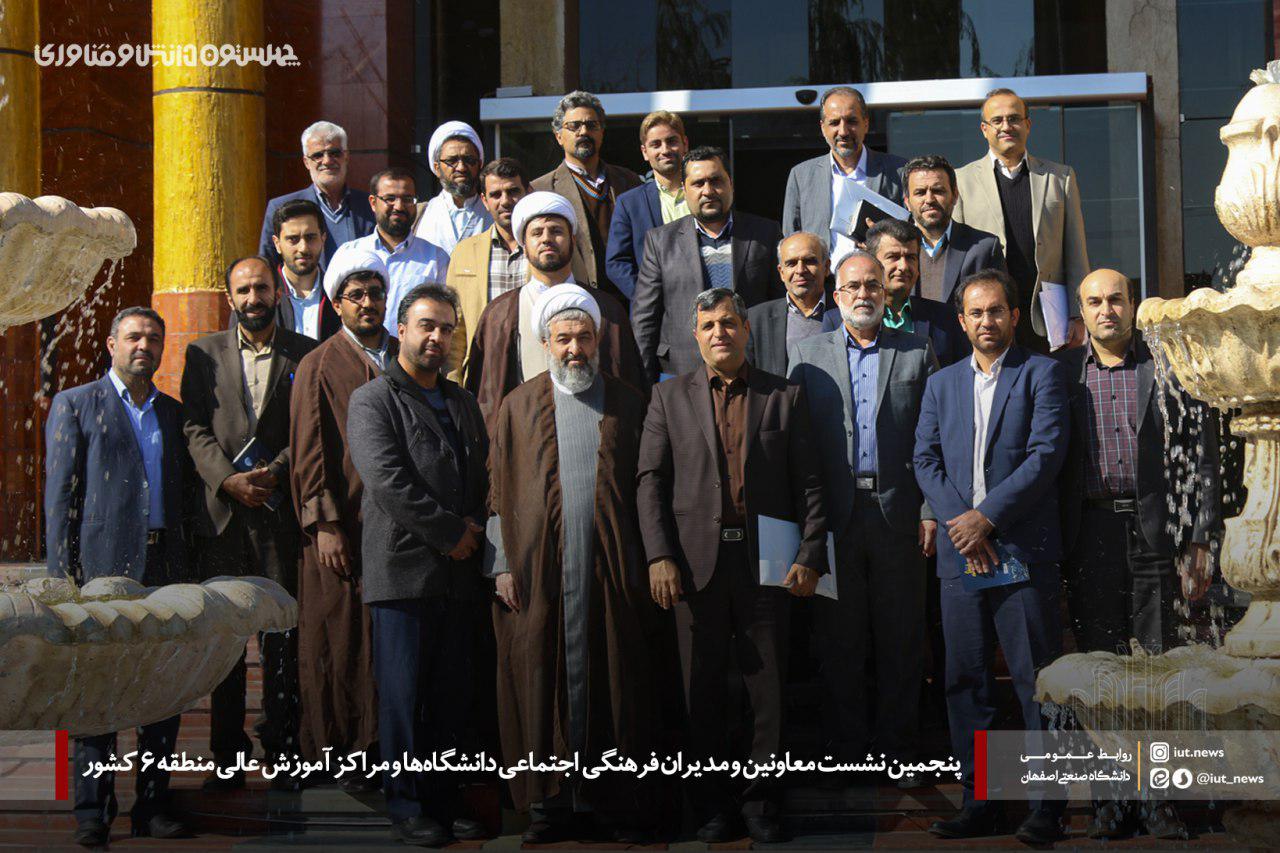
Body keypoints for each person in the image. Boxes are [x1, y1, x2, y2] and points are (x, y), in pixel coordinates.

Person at [637, 288, 826, 844]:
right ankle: (711, 804)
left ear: (746, 329)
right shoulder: (667, 397)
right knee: (702, 690)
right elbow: (650, 482)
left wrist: (810, 554)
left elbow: (810, 483)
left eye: (728, 323)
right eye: (708, 326)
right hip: (694, 563)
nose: (719, 333)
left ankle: (761, 802)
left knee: (767, 691)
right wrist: (659, 555)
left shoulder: (783, 395)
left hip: (768, 561)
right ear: (694, 337)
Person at [487, 285, 656, 844]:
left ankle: (612, 804)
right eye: (563, 339)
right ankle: (549, 808)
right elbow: (497, 489)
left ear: (599, 340)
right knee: (540, 678)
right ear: (545, 343)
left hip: (613, 573)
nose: (574, 349)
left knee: (617, 679)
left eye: (584, 337)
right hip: (539, 575)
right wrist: (502, 563)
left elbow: (648, 485)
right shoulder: (517, 406)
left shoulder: (629, 402)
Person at [1057, 269, 1220, 840]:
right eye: (1095, 302)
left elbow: (1202, 455)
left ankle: (1159, 799)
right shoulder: (1061, 373)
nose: (1107, 310)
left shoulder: (1168, 367)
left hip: (1156, 537)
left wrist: (1199, 536)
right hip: (1090, 535)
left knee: (1156, 668)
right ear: (1082, 312)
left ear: (1132, 305)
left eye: (1116, 299)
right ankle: (1110, 799)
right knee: (1101, 670)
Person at [913, 269, 1069, 844]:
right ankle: (980, 801)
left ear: (1014, 315)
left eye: (996, 310)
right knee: (966, 680)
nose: (986, 321)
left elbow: (1045, 455)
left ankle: (1047, 807)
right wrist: (964, 525)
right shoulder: (941, 384)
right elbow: (925, 459)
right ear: (961, 321)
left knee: (1036, 681)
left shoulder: (1041, 373)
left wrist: (988, 520)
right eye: (976, 313)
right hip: (961, 555)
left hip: (1019, 549)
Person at [347, 284, 489, 847]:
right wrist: (451, 533)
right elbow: (388, 482)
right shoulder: (373, 399)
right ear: (401, 330)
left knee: (451, 696)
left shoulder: (461, 401)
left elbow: (482, 473)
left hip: (460, 574)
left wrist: (472, 527)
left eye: (447, 328)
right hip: (403, 572)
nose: (437, 337)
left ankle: (445, 801)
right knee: (404, 699)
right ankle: (407, 806)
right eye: (427, 325)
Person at [787, 249, 938, 777]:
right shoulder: (807, 355)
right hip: (834, 519)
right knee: (839, 640)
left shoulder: (917, 352)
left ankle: (898, 748)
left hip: (900, 516)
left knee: (901, 638)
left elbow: (933, 439)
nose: (864, 294)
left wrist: (929, 508)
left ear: (885, 293)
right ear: (836, 296)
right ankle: (846, 753)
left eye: (872, 284)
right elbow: (797, 445)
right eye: (852, 286)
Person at [45, 307, 189, 845]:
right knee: (95, 688)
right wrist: (62, 580)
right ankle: (92, 811)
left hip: (165, 567)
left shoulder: (173, 413)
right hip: (99, 569)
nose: (143, 345)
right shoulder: (76, 403)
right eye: (133, 337)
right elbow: (59, 499)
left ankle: (152, 804)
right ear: (111, 344)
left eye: (153, 338)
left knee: (162, 687)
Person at [181, 256, 317, 791]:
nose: (253, 297)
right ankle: (227, 756)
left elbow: (307, 428)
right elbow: (194, 427)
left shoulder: (304, 352)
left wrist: (275, 472)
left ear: (276, 292)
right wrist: (227, 480)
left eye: (261, 287)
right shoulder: (202, 353)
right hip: (223, 519)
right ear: (229, 296)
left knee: (282, 637)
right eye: (243, 290)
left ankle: (283, 749)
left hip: (278, 515)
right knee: (227, 644)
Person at [289, 249, 398, 779]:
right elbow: (309, 449)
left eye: (375, 293)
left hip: (397, 529)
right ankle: (344, 754)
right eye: (356, 296)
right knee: (341, 639)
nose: (367, 303)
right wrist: (325, 523)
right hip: (343, 529)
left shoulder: (402, 353)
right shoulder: (320, 363)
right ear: (336, 304)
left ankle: (390, 748)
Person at [464, 191, 646, 433]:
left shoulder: (607, 310)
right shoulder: (499, 314)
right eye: (536, 233)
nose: (546, 239)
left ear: (573, 240)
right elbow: (486, 399)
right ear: (523, 245)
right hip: (526, 439)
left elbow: (630, 389)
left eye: (556, 231)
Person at [632, 146, 784, 383]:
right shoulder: (660, 241)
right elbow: (645, 318)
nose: (708, 190)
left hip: (752, 368)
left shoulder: (765, 233)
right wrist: (644, 383)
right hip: (682, 371)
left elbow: (780, 308)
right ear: (684, 190)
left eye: (716, 181)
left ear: (730, 184)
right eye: (698, 183)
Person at [953, 89, 1089, 352]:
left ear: (1028, 125)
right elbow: (958, 260)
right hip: (989, 316)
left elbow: (1076, 252)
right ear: (984, 129)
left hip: (1048, 317)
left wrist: (1078, 313)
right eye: (997, 120)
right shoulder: (961, 180)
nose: (1006, 126)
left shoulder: (1060, 178)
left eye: (1014, 119)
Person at [531, 90, 642, 301]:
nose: (583, 131)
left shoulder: (629, 181)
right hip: (573, 300)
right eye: (574, 126)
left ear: (602, 133)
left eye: (592, 125)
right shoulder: (540, 190)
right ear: (558, 136)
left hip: (629, 302)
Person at [328, 167, 450, 338]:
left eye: (407, 199)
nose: (399, 206)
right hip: (357, 351)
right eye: (390, 199)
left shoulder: (436, 258)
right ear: (373, 202)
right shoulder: (350, 253)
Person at [782, 86, 907, 250]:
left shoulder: (899, 170)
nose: (843, 131)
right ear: (823, 127)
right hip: (826, 268)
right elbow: (790, 239)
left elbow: (912, 233)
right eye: (834, 123)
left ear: (866, 124)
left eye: (852, 121)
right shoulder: (801, 175)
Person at [445, 157, 530, 381]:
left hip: (534, 373)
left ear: (528, 193)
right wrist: (454, 384)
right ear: (484, 200)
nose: (505, 201)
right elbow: (455, 328)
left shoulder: (544, 248)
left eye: (513, 191)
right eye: (496, 195)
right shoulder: (464, 252)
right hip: (484, 376)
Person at [259, 120, 374, 269]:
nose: (327, 161)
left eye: (335, 153)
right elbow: (267, 265)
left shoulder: (370, 205)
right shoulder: (279, 207)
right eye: (318, 155)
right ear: (306, 162)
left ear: (346, 156)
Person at [605, 110, 691, 300]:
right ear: (645, 152)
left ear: (685, 144)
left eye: (671, 141)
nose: (665, 150)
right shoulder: (629, 203)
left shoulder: (704, 194)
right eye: (655, 144)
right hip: (655, 311)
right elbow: (616, 263)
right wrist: (648, 299)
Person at [901, 155, 1004, 307]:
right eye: (920, 192)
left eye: (938, 190)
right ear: (907, 202)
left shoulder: (984, 248)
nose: (929, 199)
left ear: (955, 196)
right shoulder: (893, 248)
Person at [865, 218, 970, 366]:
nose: (903, 266)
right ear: (871, 263)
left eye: (911, 258)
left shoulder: (945, 319)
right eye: (893, 257)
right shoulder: (842, 320)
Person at [745, 231, 839, 376]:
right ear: (781, 272)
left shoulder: (845, 312)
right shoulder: (755, 320)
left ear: (826, 267)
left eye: (809, 261)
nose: (800, 270)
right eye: (791, 263)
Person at [412, 121, 493, 254]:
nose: (461, 168)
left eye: (469, 160)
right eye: (452, 161)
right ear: (437, 168)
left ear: (479, 164)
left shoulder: (494, 213)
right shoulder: (419, 215)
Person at [269, 198, 341, 340]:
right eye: (293, 239)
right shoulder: (263, 296)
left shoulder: (338, 294)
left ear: (323, 239)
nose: (303, 248)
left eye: (310, 238)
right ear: (277, 244)